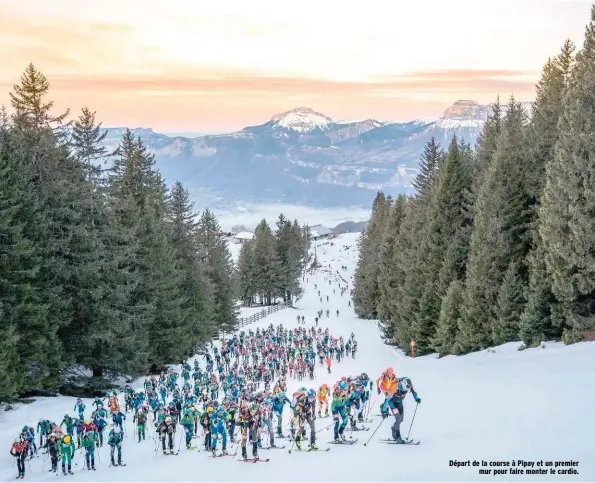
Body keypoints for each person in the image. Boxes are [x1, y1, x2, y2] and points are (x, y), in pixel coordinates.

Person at [382, 377, 421, 443]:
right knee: (398, 418)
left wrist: (416, 398)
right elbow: (387, 399)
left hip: (399, 402)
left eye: (405, 390)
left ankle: (394, 428)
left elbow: (413, 391)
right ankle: (398, 436)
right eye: (403, 389)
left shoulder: (409, 384)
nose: (404, 391)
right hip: (392, 404)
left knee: (401, 419)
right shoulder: (394, 386)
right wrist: (384, 410)